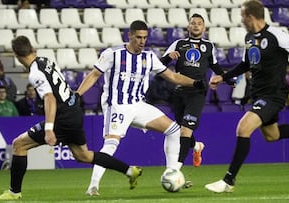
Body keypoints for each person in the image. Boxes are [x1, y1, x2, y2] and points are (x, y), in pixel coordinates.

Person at [0, 36, 142, 200]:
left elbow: (50, 98)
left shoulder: (35, 73)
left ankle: (14, 193)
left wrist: (49, 129)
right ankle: (130, 171)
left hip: (62, 117)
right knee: (83, 156)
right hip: (74, 110)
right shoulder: (45, 61)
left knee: (19, 144)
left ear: (16, 54)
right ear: (31, 48)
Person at [206, 0, 289, 193]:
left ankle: (228, 180)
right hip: (258, 94)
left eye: (242, 16)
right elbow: (246, 64)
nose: (241, 20)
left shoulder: (277, 36)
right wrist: (224, 77)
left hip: (274, 94)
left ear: (250, 16)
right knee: (273, 136)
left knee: (243, 128)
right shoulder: (249, 37)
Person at [78, 20, 206, 196]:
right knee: (111, 144)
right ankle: (93, 186)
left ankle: (172, 173)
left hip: (139, 105)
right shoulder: (113, 54)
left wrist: (196, 83)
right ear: (129, 35)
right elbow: (94, 75)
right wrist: (77, 95)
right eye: (138, 37)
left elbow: (173, 77)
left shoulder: (149, 57)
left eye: (145, 38)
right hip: (117, 105)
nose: (142, 41)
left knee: (174, 131)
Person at [160, 13, 224, 168]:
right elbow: (159, 64)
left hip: (197, 92)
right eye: (193, 23)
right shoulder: (178, 44)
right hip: (179, 91)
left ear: (204, 27)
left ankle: (176, 169)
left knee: (185, 131)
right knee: (182, 129)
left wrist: (227, 78)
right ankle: (196, 146)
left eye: (199, 23)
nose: (196, 25)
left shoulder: (208, 46)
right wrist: (169, 57)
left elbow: (215, 66)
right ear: (188, 26)